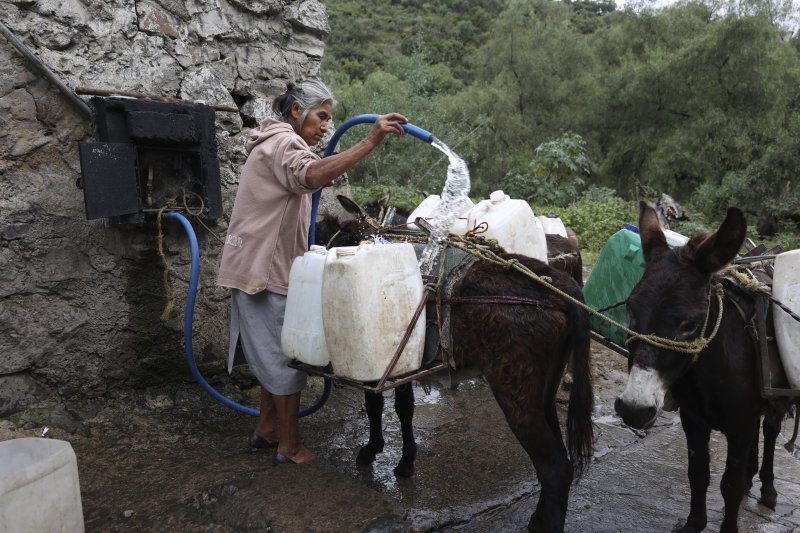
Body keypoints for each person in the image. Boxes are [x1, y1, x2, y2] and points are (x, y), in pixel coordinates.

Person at [217, 79, 408, 465]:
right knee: (285, 360)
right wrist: (370, 140)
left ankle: (267, 429)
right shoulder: (283, 144)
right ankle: (289, 446)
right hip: (265, 271)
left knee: (271, 355)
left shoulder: (274, 142)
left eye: (328, 119)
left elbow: (309, 175)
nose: (325, 126)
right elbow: (310, 175)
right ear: (296, 111)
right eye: (321, 116)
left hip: (256, 265)